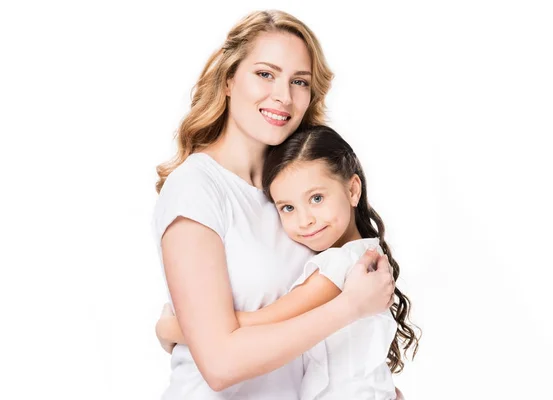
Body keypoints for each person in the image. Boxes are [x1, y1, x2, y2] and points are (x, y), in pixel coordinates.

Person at [152, 9, 397, 400]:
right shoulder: (197, 188)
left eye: (298, 81)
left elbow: (331, 339)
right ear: (229, 79)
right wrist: (350, 308)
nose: (283, 95)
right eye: (265, 74)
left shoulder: (294, 189)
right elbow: (220, 365)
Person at [157, 125, 420, 399]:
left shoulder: (342, 268)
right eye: (288, 208)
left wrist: (172, 328)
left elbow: (263, 323)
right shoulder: (363, 256)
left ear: (353, 190)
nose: (304, 219)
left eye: (317, 198)